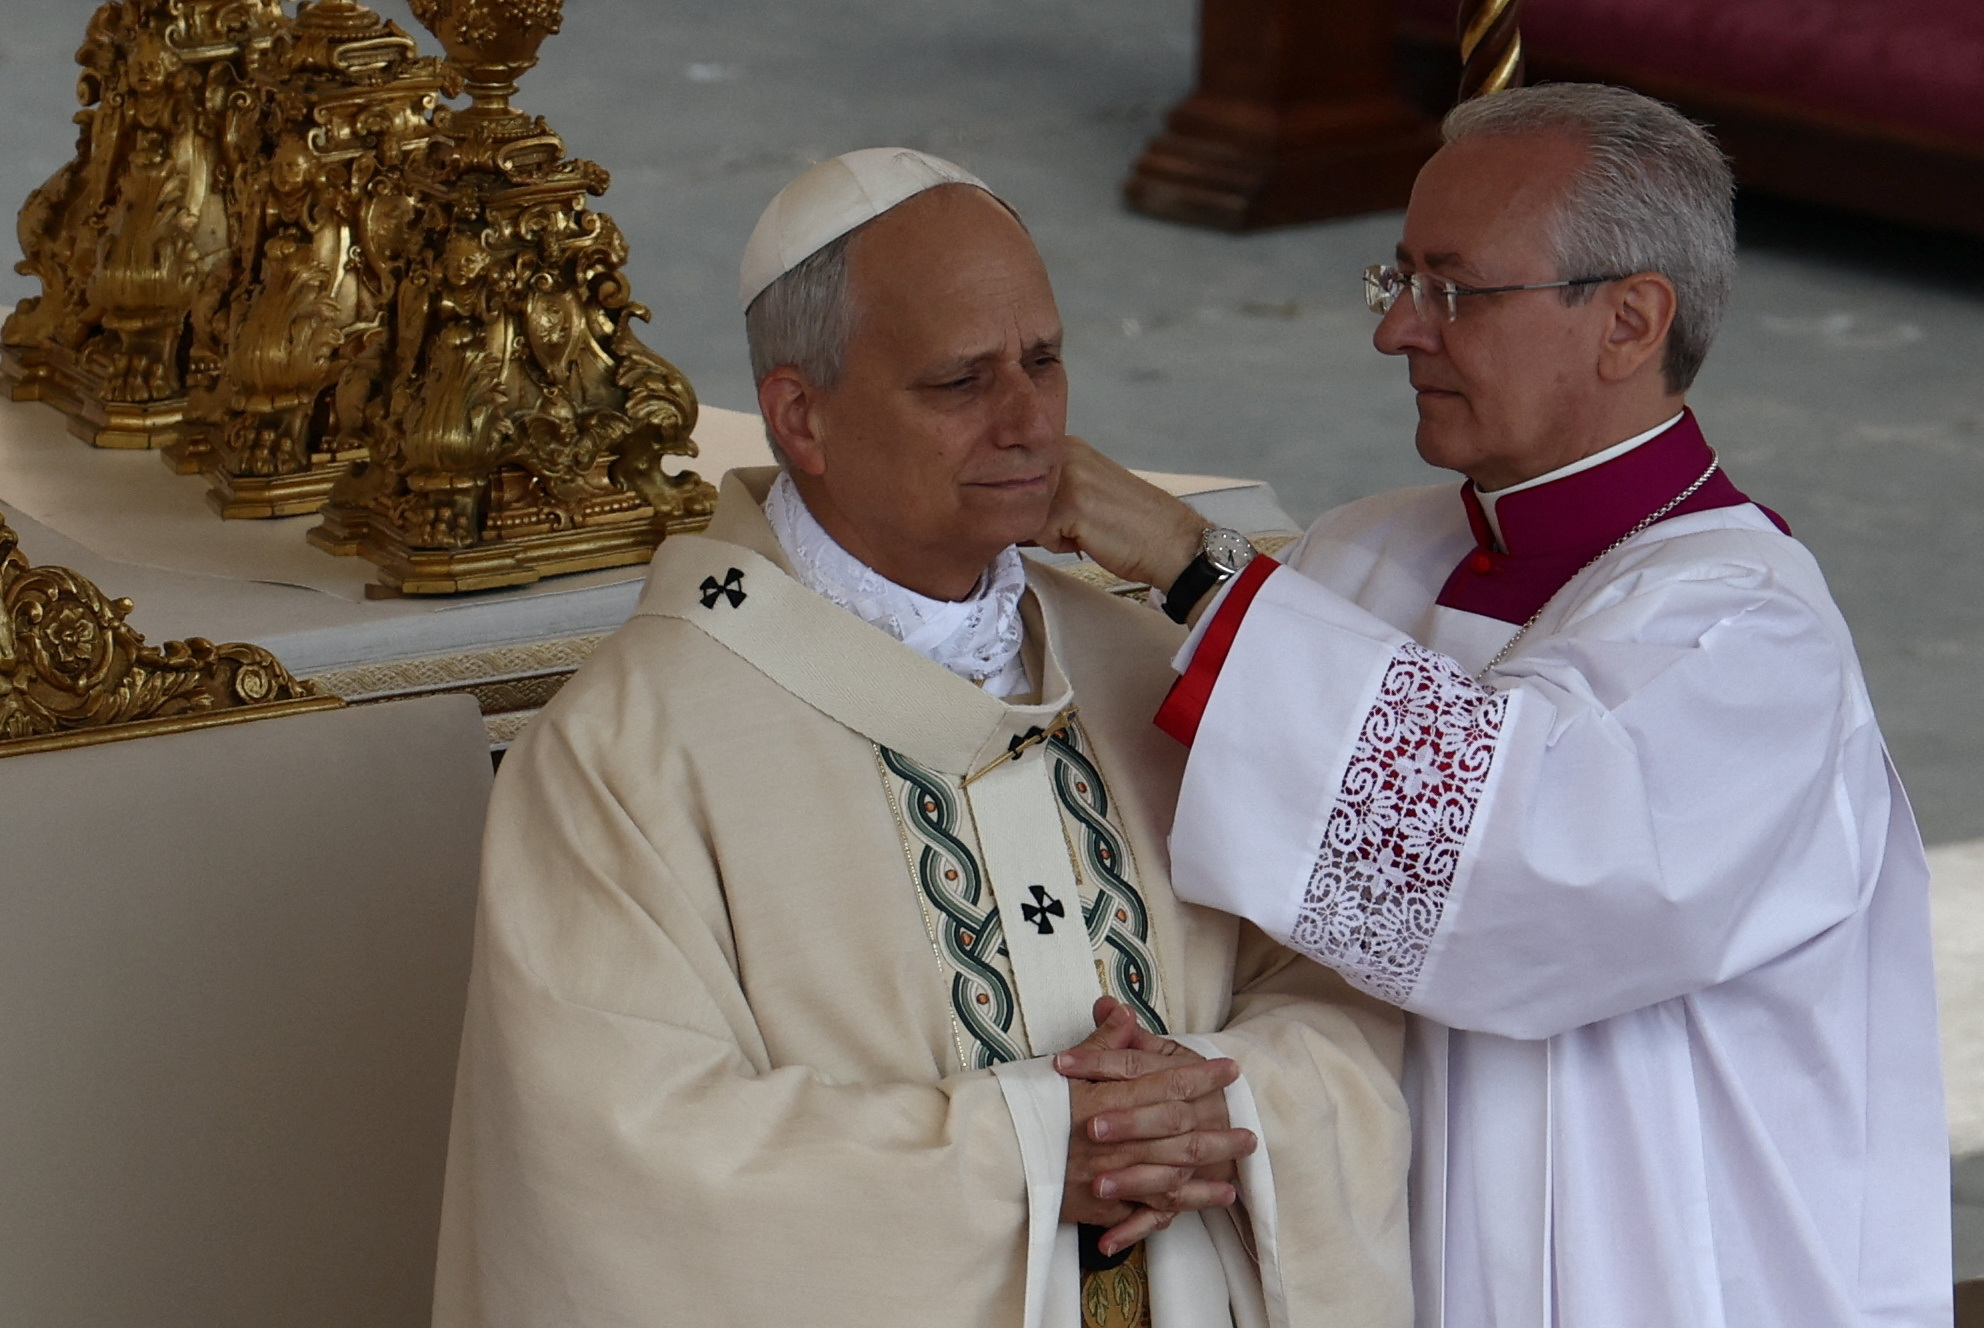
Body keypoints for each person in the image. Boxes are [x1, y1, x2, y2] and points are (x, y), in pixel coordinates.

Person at [432, 148, 1412, 1328]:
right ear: (800, 417)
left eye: (1043, 361)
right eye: (960, 381)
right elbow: (620, 1163)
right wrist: (1032, 1149)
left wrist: (1227, 1101)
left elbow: (1340, 973)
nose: (1029, 424)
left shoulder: (1143, 665)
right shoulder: (628, 752)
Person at [1042, 86, 1950, 1328]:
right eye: (1397, 278)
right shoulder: (1363, 555)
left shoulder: (1749, 634)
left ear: (1628, 320)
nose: (1396, 331)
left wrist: (1189, 565)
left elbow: (1512, 858)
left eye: (1454, 291)